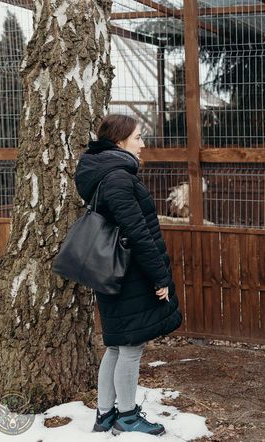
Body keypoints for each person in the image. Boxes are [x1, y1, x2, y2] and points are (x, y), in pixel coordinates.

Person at [75, 114, 182, 436]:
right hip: (129, 274)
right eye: (138, 137)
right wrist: (160, 277)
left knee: (117, 345)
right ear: (120, 140)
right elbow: (139, 233)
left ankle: (105, 414)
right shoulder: (118, 178)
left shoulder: (104, 173)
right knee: (130, 347)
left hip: (112, 270)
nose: (143, 144)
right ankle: (126, 415)